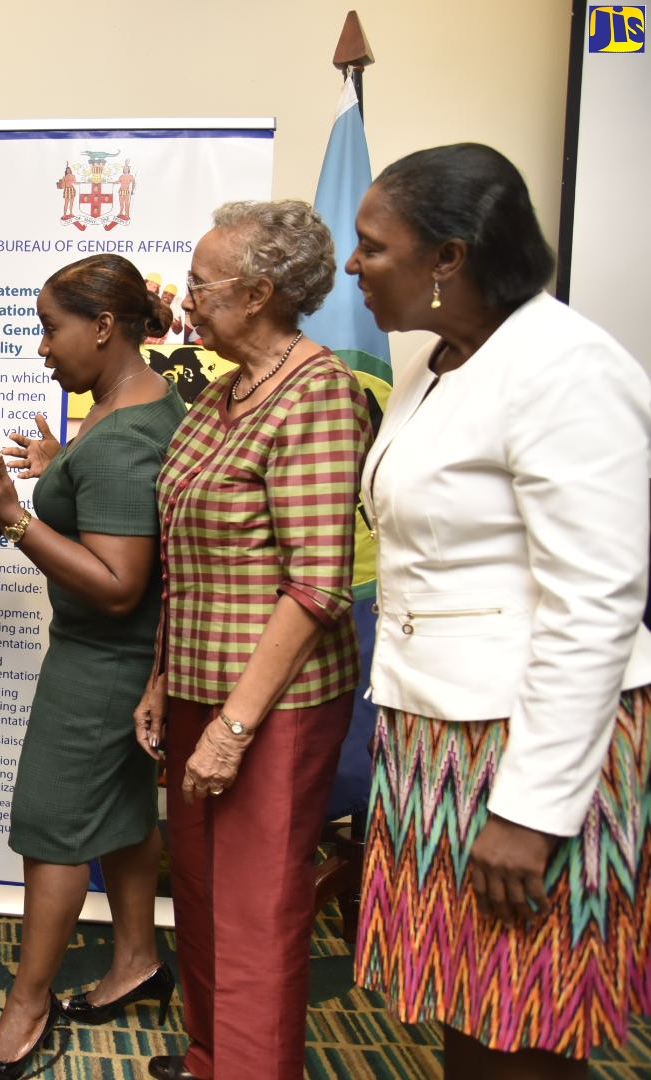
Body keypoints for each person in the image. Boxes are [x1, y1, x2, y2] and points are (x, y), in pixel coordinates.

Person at [348, 143, 651, 1080]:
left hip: (531, 747)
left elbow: (595, 602)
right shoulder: (434, 364)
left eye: (373, 248)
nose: (352, 267)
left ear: (450, 256)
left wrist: (534, 807)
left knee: (526, 1012)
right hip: (439, 731)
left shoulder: (565, 366)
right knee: (462, 996)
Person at [0, 254, 186, 1079]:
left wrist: (11, 519)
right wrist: (54, 476)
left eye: (50, 327)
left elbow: (114, 587)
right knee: (126, 816)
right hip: (132, 660)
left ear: (104, 328)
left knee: (49, 825)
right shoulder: (133, 405)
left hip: (104, 659)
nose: (41, 348)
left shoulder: (126, 435)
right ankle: (137, 959)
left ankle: (25, 1013)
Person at [134, 200, 372, 1080]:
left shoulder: (317, 393)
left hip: (274, 707)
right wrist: (164, 680)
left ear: (262, 292)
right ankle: (212, 1056)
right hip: (200, 685)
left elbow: (315, 588)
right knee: (198, 891)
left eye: (200, 282)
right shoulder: (224, 392)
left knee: (257, 903)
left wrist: (233, 729)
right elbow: (186, 557)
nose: (187, 298)